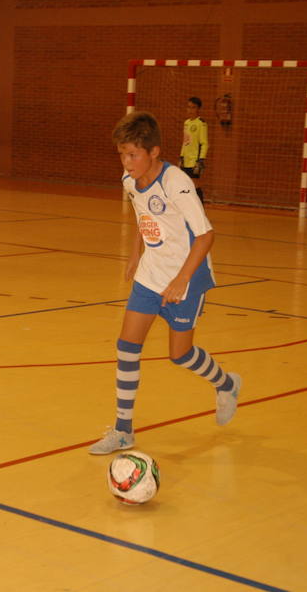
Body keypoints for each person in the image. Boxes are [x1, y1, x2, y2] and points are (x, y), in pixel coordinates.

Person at [89, 111, 240, 455]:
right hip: (150, 275)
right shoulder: (130, 181)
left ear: (154, 152)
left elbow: (205, 235)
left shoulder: (177, 183)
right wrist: (135, 253)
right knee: (127, 347)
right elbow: (144, 217)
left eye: (132, 155)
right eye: (122, 154)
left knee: (180, 354)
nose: (126, 163)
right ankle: (124, 431)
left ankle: (227, 384)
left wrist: (181, 280)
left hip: (186, 278)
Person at [180, 97, 208, 202]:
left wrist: (201, 160)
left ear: (198, 109)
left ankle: (200, 210)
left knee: (195, 185)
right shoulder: (186, 123)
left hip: (194, 161)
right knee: (185, 185)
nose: (190, 110)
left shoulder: (201, 123)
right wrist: (181, 156)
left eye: (193, 108)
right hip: (186, 160)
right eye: (189, 107)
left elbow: (204, 143)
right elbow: (185, 142)